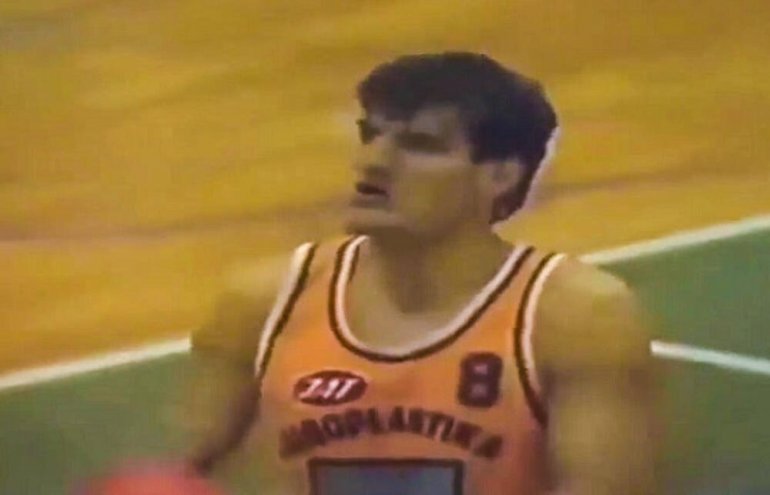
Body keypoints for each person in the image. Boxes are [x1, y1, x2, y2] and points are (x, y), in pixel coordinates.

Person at [186, 52, 658, 495]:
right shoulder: (265, 302)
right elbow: (177, 470)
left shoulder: (576, 318)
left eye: (420, 146)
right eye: (370, 136)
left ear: (500, 177)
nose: (372, 162)